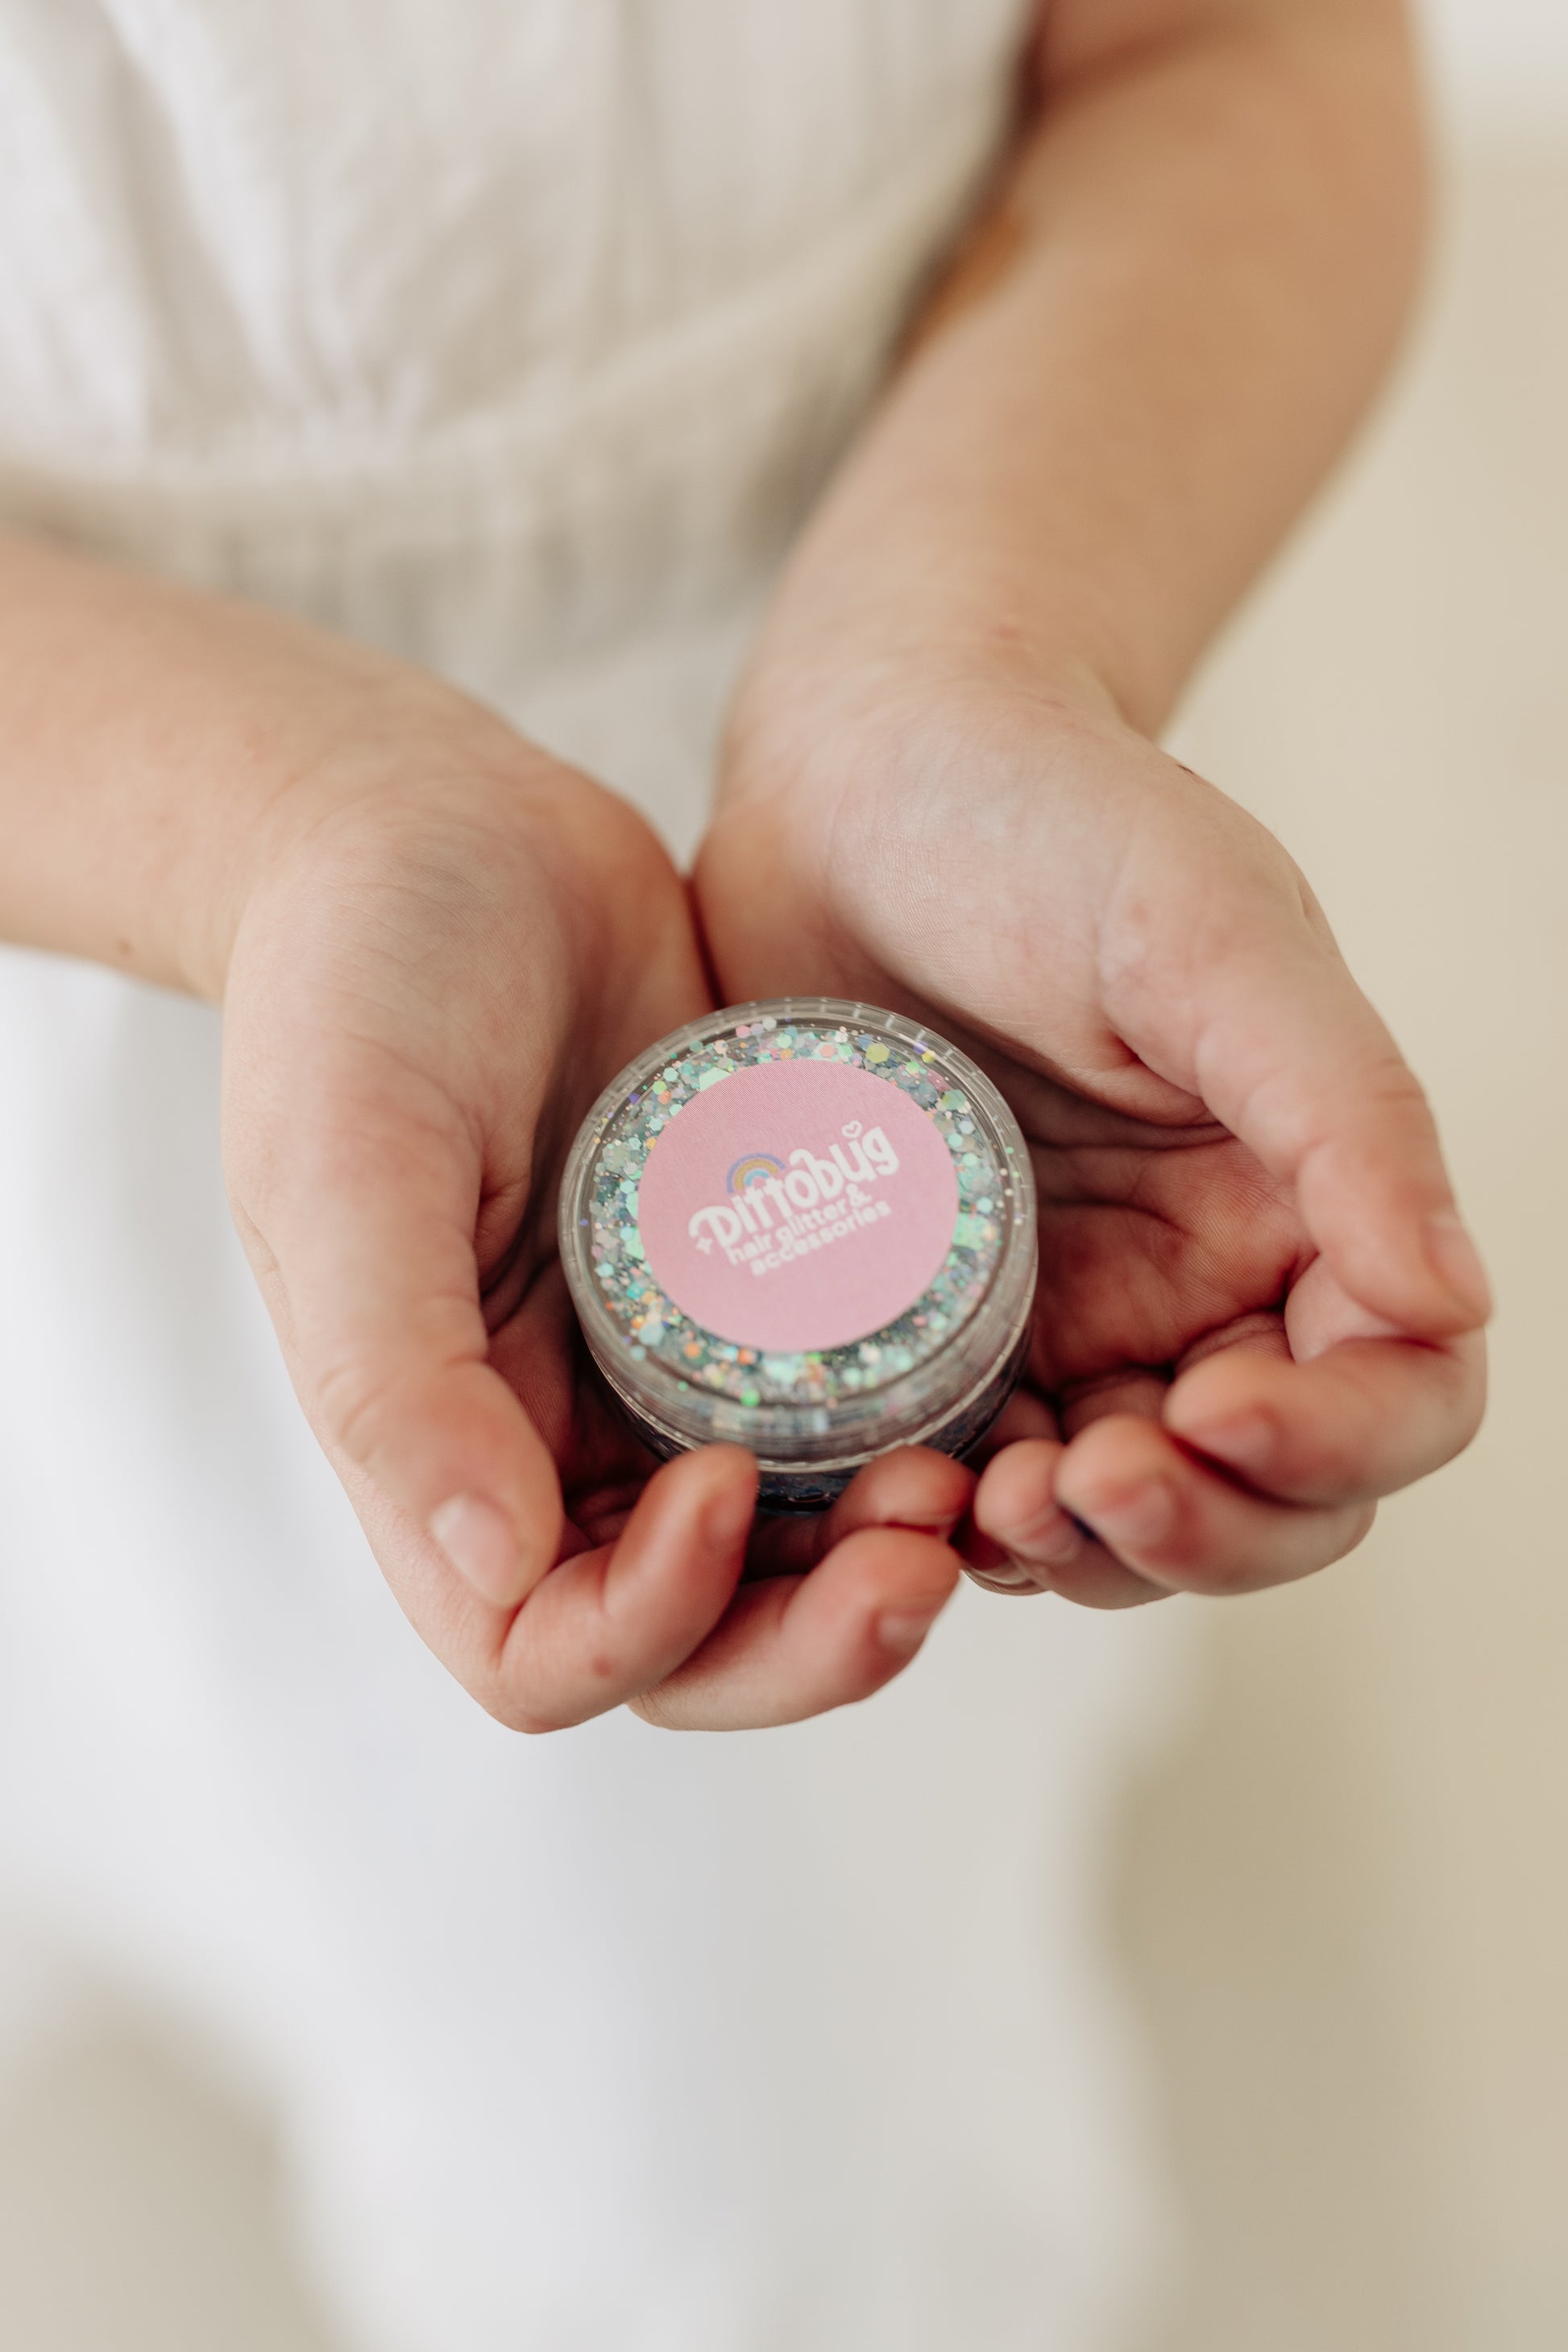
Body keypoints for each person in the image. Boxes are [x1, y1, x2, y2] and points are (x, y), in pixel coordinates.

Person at [0, 2, 1486, 2346]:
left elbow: (1230, 52)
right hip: (80, 846)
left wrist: (963, 646)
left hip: (933, 700)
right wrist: (285, 818)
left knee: (718, 2150)